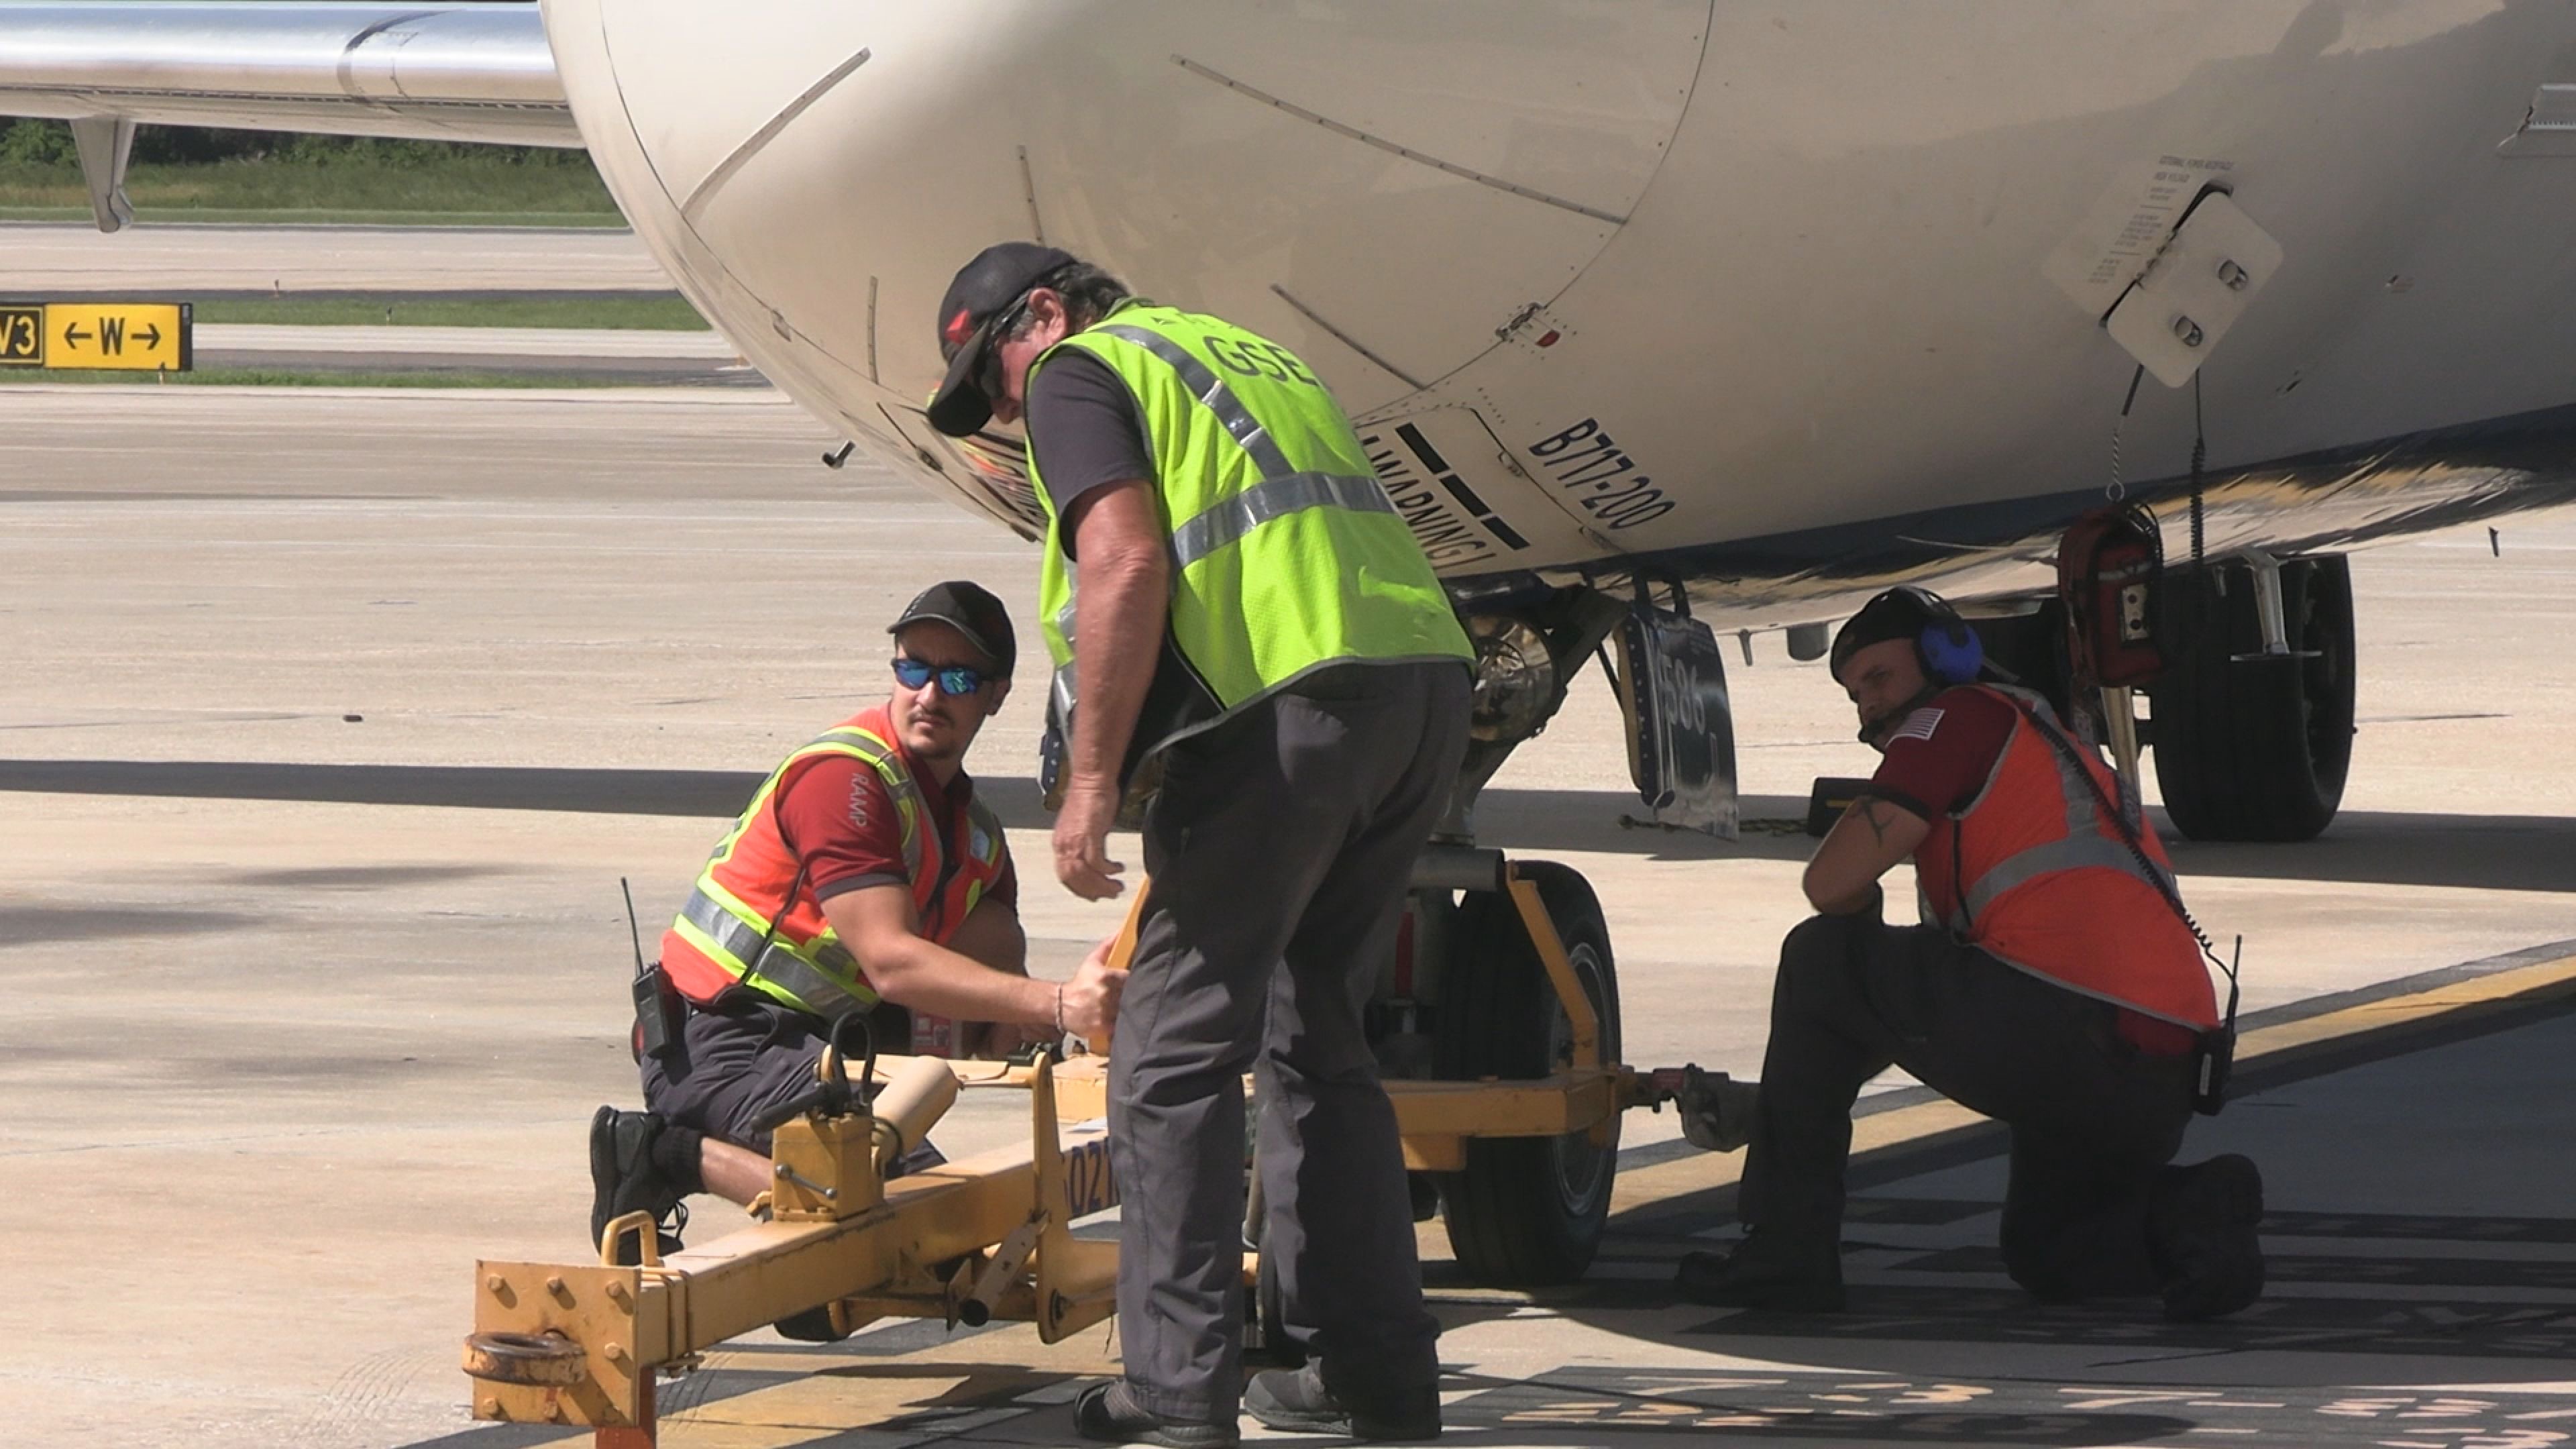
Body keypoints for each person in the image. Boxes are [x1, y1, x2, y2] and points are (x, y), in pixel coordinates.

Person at [927, 243, 1476, 1447]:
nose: (1006, 414)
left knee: (1169, 1055)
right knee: (1319, 1038)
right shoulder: (1246, 353)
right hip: (1416, 691)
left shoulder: (1079, 369)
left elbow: (1126, 558)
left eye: (992, 379)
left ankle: (1178, 1394)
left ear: (1045, 314)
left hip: (1284, 710)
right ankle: (1373, 1374)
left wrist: (1090, 783)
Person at [1674, 586, 2264, 1322]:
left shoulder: (1955, 719)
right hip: (2159, 1074)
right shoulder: (2043, 743)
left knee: (1822, 958)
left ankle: (1785, 1252)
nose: (1868, 704)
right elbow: (1910, 1013)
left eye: (1879, 677)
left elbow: (1830, 886)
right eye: (1855, 693)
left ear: (1946, 657)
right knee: (2052, 1252)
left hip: (2069, 1029)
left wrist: (1857, 924)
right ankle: (2189, 1213)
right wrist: (1778, 1108)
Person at [588, 581, 1125, 1265]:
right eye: (913, 668)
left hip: (822, 1044)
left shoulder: (975, 835)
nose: (928, 695)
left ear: (996, 695)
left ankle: (812, 1259)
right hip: (717, 1041)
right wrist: (1057, 1002)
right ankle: (663, 1152)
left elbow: (992, 984)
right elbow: (891, 962)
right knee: (916, 1221)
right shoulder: (845, 780)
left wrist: (1061, 1019)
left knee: (933, 1225)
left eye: (958, 679)